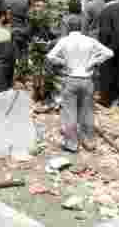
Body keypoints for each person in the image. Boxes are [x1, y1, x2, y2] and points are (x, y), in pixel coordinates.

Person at [48, 16, 114, 152]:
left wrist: (63, 62)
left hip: (70, 78)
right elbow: (109, 53)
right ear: (81, 27)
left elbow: (50, 56)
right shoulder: (90, 40)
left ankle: (72, 144)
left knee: (69, 112)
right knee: (87, 111)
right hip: (87, 79)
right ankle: (88, 141)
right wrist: (94, 62)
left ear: (68, 27)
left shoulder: (64, 41)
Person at [2, 0, 30, 81]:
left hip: (9, 30)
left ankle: (10, 75)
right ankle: (23, 74)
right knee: (23, 52)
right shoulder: (24, 0)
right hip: (21, 30)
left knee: (10, 54)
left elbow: (2, 18)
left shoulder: (5, 0)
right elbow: (27, 17)